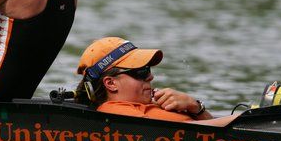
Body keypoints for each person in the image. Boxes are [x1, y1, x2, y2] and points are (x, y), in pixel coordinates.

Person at [75, 37, 213, 121]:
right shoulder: (119, 113)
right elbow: (219, 133)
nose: (150, 77)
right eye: (141, 71)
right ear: (111, 83)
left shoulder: (148, 106)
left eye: (148, 69)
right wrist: (193, 104)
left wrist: (196, 108)